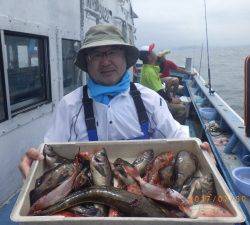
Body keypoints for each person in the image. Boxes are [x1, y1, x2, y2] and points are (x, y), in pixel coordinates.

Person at [19, 24, 214, 178]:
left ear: (125, 57)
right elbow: (49, 154)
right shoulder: (69, 105)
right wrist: (36, 163)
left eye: (112, 52)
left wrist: (201, 151)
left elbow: (181, 141)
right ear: (87, 62)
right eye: (96, 55)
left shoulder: (150, 100)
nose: (105, 61)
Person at [139, 44, 187, 124]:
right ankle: (174, 131)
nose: (155, 53)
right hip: (153, 104)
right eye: (152, 52)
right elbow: (160, 92)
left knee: (180, 102)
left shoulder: (148, 67)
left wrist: (161, 56)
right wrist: (171, 100)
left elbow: (159, 66)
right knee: (182, 108)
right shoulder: (149, 72)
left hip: (153, 98)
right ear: (149, 57)